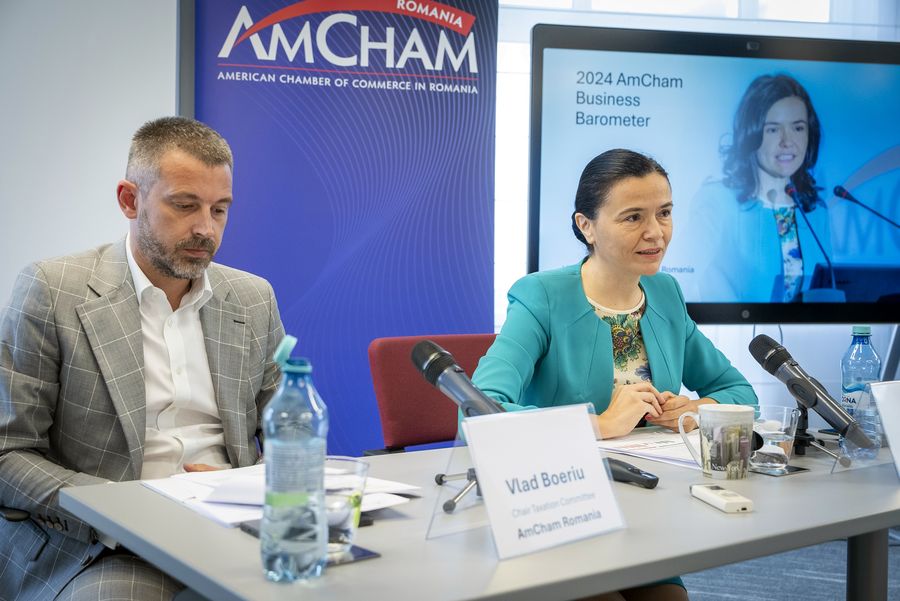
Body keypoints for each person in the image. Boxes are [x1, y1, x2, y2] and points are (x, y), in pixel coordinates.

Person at [0, 117, 285, 600]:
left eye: (219, 209)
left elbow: (291, 431)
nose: (205, 228)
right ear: (130, 200)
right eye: (185, 205)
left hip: (235, 527)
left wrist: (256, 487)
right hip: (107, 544)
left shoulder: (253, 298)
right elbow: (9, 452)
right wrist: (124, 509)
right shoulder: (53, 290)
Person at [472, 148, 756, 601]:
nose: (655, 232)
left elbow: (738, 390)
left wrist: (696, 409)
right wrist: (599, 424)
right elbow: (479, 409)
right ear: (586, 226)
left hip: (644, 506)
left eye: (664, 213)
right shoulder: (541, 296)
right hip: (558, 507)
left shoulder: (665, 292)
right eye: (633, 217)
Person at [690, 73, 833, 302]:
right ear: (752, 134)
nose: (787, 141)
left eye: (798, 128)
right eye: (773, 129)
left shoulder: (814, 211)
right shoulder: (717, 201)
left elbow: (826, 294)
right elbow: (680, 286)